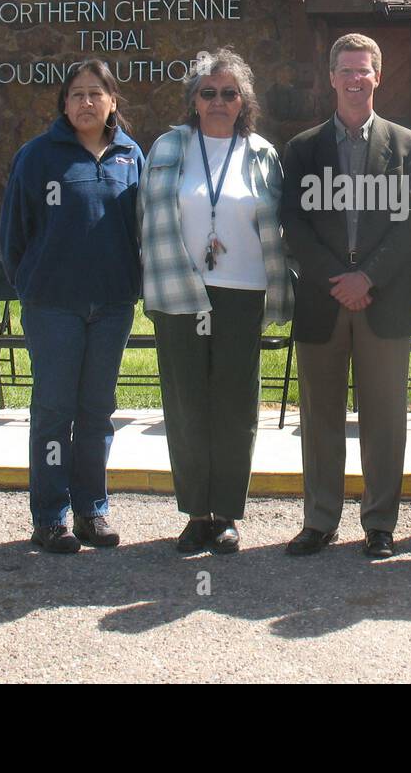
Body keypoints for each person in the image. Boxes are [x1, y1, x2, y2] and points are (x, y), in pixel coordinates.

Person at [280, 34, 411, 559]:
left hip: (382, 302)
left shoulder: (407, 145)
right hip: (323, 301)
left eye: (363, 70)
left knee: (385, 416)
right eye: (345, 70)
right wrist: (336, 280)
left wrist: (367, 278)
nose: (354, 79)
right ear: (332, 77)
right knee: (319, 417)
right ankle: (319, 519)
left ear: (377, 77)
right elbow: (293, 225)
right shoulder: (301, 149)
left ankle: (380, 523)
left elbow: (410, 225)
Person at [140, 48, 291, 554]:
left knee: (235, 405)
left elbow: (280, 225)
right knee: (185, 405)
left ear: (244, 100)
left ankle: (226, 513)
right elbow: (147, 217)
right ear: (194, 100)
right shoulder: (168, 147)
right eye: (209, 93)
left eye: (230, 93)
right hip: (180, 290)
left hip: (242, 290)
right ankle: (194, 512)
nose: (219, 101)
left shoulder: (262, 153)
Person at [0, 60, 143, 553]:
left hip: (112, 304)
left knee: (98, 410)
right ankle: (50, 516)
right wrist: (33, 286)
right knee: (56, 411)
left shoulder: (131, 157)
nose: (86, 102)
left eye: (95, 93)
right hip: (53, 306)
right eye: (76, 94)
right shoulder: (38, 157)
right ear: (63, 103)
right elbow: (14, 234)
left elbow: (140, 230)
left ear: (112, 101)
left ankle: (91, 511)